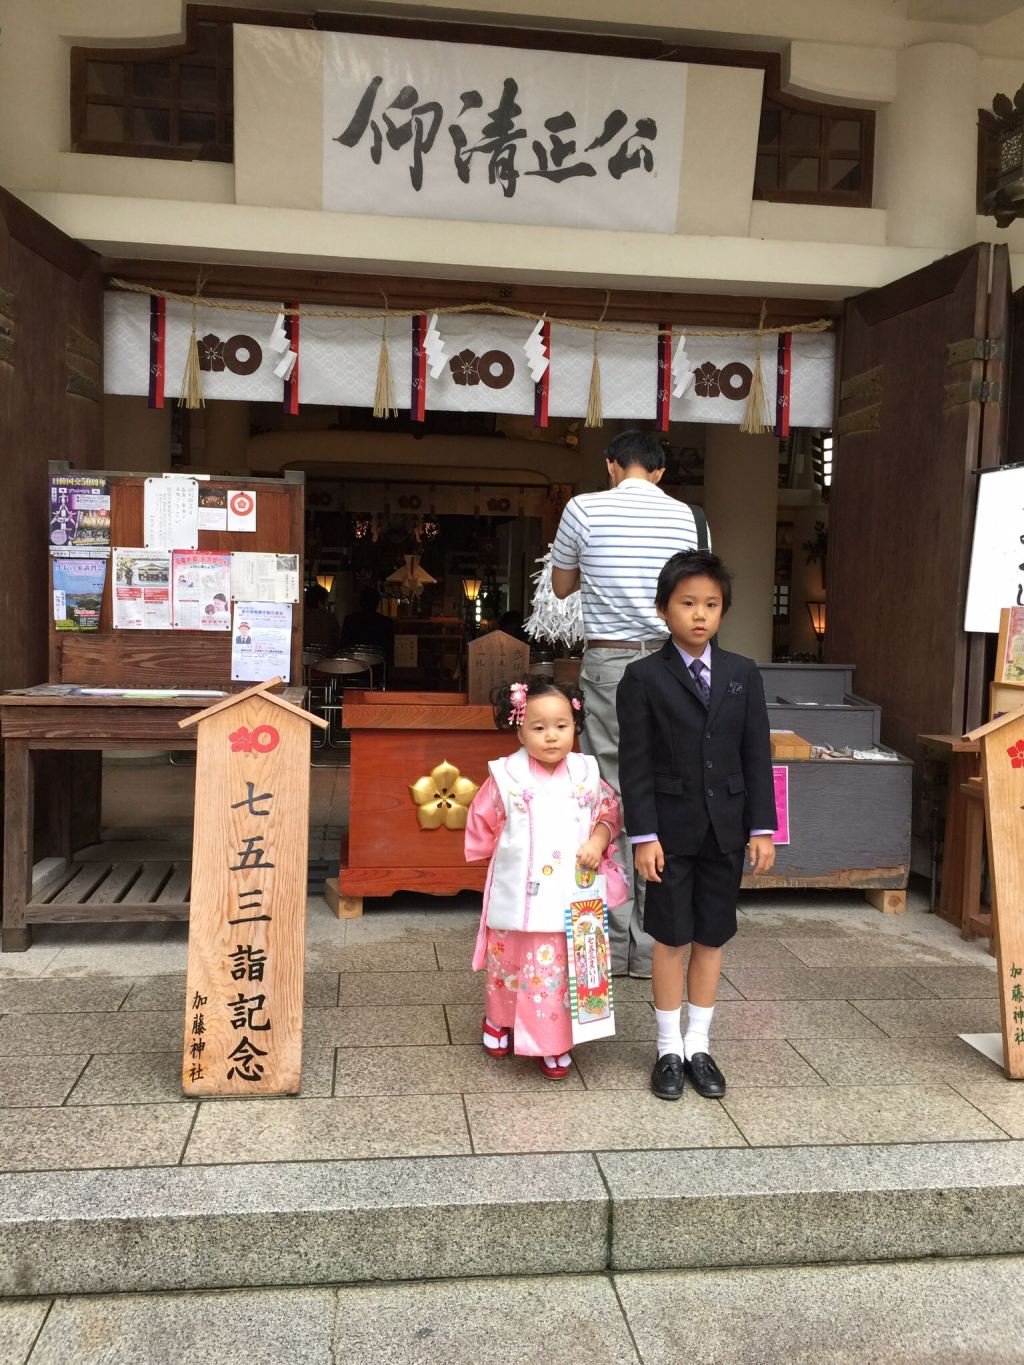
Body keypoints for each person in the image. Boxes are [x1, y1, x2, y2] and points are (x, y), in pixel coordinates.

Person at [616, 550, 777, 1103]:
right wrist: (643, 835)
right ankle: (666, 1048)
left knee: (713, 934)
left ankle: (698, 1044)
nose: (700, 614)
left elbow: (756, 753)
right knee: (670, 936)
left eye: (711, 604)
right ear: (664, 610)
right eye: (687, 604)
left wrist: (761, 827)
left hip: (727, 829)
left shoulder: (741, 673)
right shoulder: (641, 678)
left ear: (723, 611)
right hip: (667, 831)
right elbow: (633, 762)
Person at [551, 428, 709, 978]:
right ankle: (653, 947)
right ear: (660, 472)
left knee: (611, 795)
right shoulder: (689, 517)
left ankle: (613, 945)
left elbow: (563, 586)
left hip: (611, 663)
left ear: (612, 465)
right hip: (675, 663)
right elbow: (700, 593)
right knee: (664, 792)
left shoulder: (582, 508)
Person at [464, 676, 627, 1079]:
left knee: (554, 969)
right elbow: (482, 821)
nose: (551, 737)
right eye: (538, 728)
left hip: (570, 893)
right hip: (520, 890)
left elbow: (610, 812)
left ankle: (552, 1041)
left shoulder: (587, 773)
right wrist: (502, 855)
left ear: (576, 725)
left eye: (561, 726)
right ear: (518, 727)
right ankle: (498, 1019)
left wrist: (599, 837)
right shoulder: (506, 775)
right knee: (510, 964)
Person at [341, 587, 394, 662]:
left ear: (360, 602)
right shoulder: (386, 622)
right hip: (378, 666)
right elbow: (389, 649)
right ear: (378, 603)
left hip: (353, 666)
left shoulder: (350, 620)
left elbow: (344, 645)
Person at [303, 584, 342, 654]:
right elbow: (337, 643)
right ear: (320, 603)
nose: (327, 604)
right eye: (327, 601)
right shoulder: (330, 619)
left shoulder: (300, 619)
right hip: (325, 661)